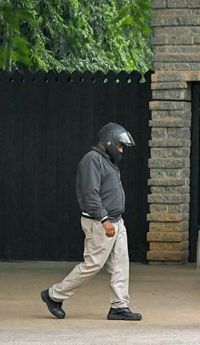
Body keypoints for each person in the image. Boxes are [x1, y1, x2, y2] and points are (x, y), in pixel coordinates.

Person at [40, 122, 142, 321]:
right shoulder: (92, 160)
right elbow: (89, 194)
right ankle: (53, 295)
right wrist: (104, 219)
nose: (121, 150)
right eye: (120, 146)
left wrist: (113, 220)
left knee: (120, 265)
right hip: (100, 223)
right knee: (92, 265)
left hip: (116, 221)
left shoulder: (107, 160)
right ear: (109, 141)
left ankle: (119, 306)